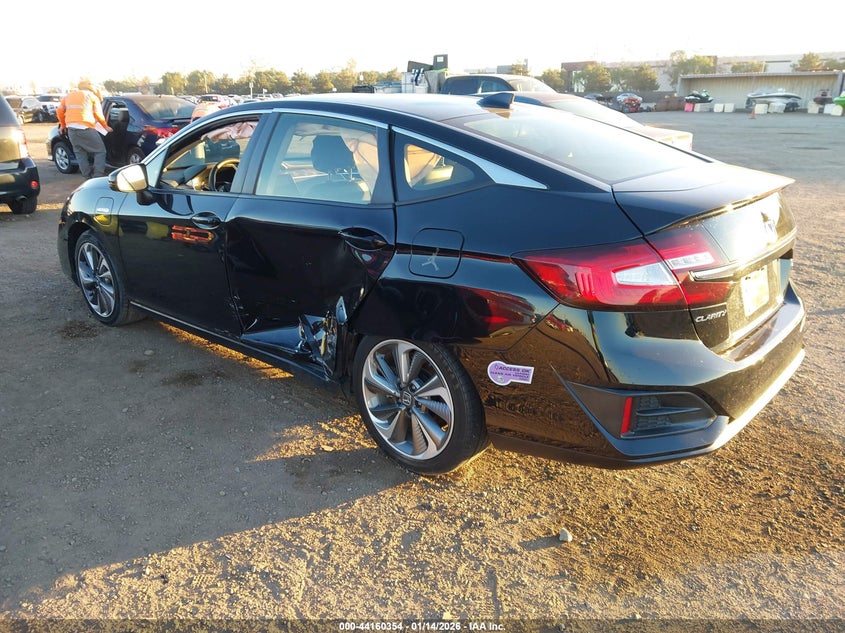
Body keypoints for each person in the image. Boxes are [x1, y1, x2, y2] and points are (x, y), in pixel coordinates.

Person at [56, 80, 112, 178]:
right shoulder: (92, 96)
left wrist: (63, 125)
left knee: (80, 153)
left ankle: (87, 177)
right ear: (92, 88)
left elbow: (59, 111)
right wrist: (105, 126)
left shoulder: (68, 96)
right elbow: (98, 114)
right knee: (100, 151)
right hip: (86, 128)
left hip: (71, 129)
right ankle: (97, 176)